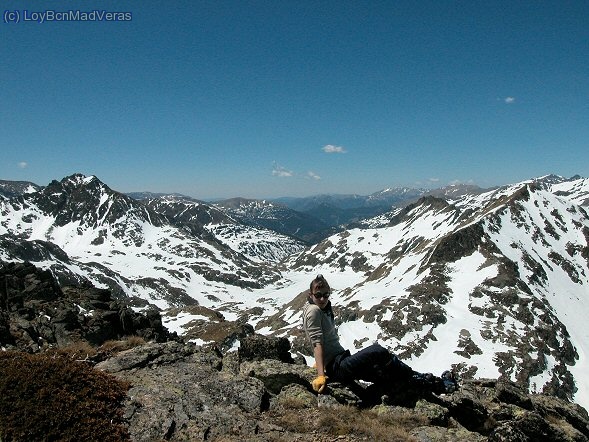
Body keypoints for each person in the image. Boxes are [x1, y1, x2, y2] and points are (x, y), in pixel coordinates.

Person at [302, 274, 457, 400]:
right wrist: (321, 374)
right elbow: (317, 342)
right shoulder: (314, 311)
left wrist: (320, 363)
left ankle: (440, 385)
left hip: (339, 361)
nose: (322, 299)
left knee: (388, 375)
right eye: (318, 295)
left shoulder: (319, 308)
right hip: (338, 366)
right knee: (377, 351)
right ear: (311, 295)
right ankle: (435, 382)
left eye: (326, 295)